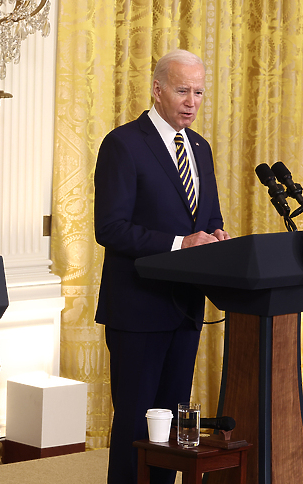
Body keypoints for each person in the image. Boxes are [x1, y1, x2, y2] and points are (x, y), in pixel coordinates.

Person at [94, 49, 230, 484]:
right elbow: (110, 228)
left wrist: (215, 238)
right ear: (157, 89)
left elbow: (208, 218)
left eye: (199, 92)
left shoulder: (201, 149)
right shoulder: (123, 144)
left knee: (172, 428)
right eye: (182, 90)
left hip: (185, 309)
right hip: (137, 309)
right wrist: (180, 243)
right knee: (137, 422)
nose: (192, 101)